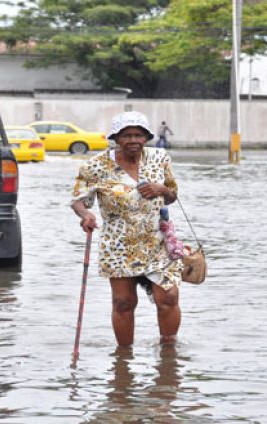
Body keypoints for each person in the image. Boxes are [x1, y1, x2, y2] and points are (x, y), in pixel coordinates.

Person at [71, 111, 183, 347]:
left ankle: (169, 353)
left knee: (169, 297)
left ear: (146, 137)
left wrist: (161, 189)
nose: (133, 140)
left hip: (157, 241)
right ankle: (123, 357)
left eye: (139, 135)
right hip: (118, 244)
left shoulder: (160, 158)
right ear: (116, 138)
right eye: (127, 135)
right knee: (123, 302)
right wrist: (86, 215)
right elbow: (78, 200)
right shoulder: (95, 166)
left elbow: (172, 196)